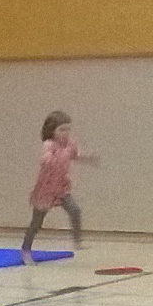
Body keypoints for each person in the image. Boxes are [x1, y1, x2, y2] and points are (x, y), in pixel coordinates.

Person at [20, 112, 98, 263]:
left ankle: (77, 241)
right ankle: (26, 249)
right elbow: (45, 157)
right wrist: (47, 159)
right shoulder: (49, 145)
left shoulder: (70, 144)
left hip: (61, 187)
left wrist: (88, 158)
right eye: (62, 129)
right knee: (36, 223)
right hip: (46, 190)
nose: (66, 133)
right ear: (52, 130)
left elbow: (75, 155)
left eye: (68, 129)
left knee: (75, 210)